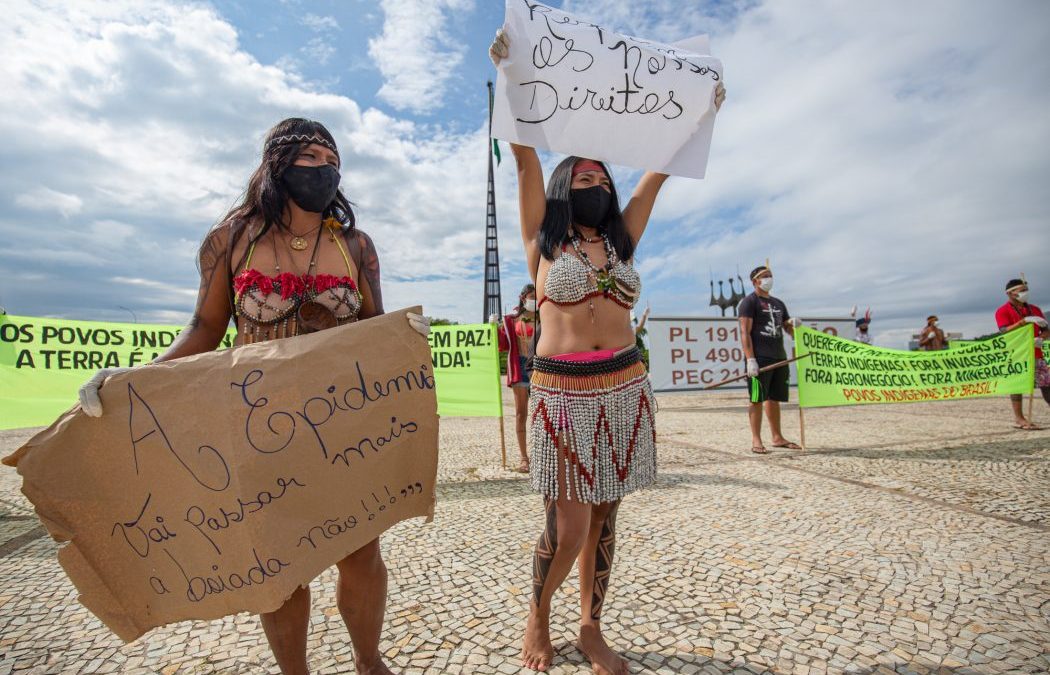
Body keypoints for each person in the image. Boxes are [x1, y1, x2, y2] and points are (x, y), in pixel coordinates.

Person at [76, 118, 428, 675]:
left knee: (361, 554)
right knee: (280, 564)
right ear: (277, 164)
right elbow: (204, 329)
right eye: (311, 157)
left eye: (333, 160)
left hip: (343, 423)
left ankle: (369, 662)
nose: (325, 168)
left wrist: (405, 341)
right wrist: (134, 379)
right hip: (259, 427)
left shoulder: (355, 245)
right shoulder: (230, 240)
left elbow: (372, 327)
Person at [491, 28, 726, 675]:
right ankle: (538, 614)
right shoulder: (543, 239)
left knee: (602, 516)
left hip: (624, 389)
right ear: (565, 186)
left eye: (601, 176)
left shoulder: (622, 238)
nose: (594, 182)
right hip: (561, 390)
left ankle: (591, 626)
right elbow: (524, 158)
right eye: (583, 176)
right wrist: (512, 73)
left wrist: (700, 110)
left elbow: (659, 172)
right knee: (567, 524)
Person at [738, 265, 801, 454]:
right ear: (755, 281)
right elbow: (745, 332)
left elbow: (787, 329)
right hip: (759, 358)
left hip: (779, 357)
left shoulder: (778, 303)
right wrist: (750, 359)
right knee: (756, 398)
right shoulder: (749, 302)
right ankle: (756, 439)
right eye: (764, 276)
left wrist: (793, 324)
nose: (768, 279)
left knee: (774, 398)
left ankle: (777, 437)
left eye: (770, 275)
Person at [995, 278, 1050, 430]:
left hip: (1036, 352)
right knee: (1017, 385)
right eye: (1021, 290)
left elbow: (1046, 330)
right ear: (1010, 293)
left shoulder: (1035, 309)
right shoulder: (1002, 311)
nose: (1025, 293)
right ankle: (1019, 418)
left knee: (1047, 383)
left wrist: (1041, 338)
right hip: (1016, 353)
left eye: (1026, 290)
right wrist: (1023, 321)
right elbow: (1004, 331)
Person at [498, 283, 538, 472]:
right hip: (520, 366)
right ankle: (524, 458)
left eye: (537, 296)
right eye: (532, 297)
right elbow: (502, 344)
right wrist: (494, 328)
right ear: (523, 298)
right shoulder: (511, 320)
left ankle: (543, 455)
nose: (535, 300)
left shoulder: (544, 317)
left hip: (540, 367)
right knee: (521, 413)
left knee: (543, 414)